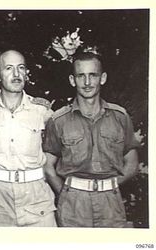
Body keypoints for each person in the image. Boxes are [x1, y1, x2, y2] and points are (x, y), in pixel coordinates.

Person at [43, 46, 140, 227]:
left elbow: (132, 163)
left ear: (102, 78)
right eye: (81, 76)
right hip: (73, 204)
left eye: (93, 75)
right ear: (73, 80)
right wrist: (66, 193)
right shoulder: (59, 120)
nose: (87, 82)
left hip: (111, 203)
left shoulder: (120, 116)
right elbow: (48, 166)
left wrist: (110, 186)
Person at [0, 50, 57, 226]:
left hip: (36, 196)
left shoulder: (43, 111)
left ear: (26, 73)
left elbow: (54, 151)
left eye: (21, 68)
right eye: (9, 68)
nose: (16, 74)